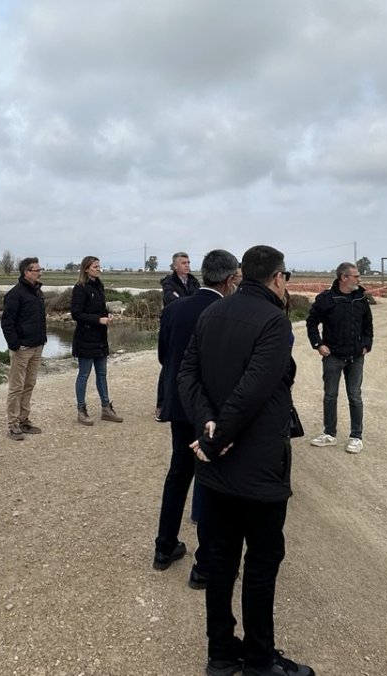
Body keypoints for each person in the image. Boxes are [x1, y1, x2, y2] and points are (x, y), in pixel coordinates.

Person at [178, 245, 313, 676]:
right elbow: (255, 388)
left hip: (216, 470)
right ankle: (257, 658)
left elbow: (188, 375)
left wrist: (208, 428)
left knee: (219, 562)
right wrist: (217, 436)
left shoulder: (211, 312)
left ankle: (220, 653)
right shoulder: (274, 320)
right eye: (287, 277)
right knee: (260, 563)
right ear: (277, 278)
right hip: (256, 469)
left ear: (242, 275)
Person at [153, 249, 241, 588]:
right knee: (210, 478)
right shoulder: (226, 312)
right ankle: (204, 565)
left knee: (178, 473)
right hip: (210, 412)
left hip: (179, 406)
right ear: (231, 279)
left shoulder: (174, 309)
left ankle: (164, 548)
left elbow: (165, 357)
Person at [305, 261, 373, 454]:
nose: (359, 279)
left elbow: (368, 325)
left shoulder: (361, 298)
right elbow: (311, 324)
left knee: (355, 396)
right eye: (356, 276)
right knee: (330, 396)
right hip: (332, 357)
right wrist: (318, 344)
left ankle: (356, 437)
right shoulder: (326, 299)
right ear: (344, 277)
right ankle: (329, 434)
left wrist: (366, 345)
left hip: (356, 357)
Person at [70, 256, 123, 425]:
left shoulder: (99, 286)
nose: (98, 269)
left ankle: (106, 408)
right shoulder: (80, 288)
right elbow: (76, 314)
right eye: (95, 266)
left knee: (102, 374)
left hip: (100, 337)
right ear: (86, 269)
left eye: (99, 266)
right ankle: (81, 410)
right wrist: (97, 320)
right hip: (85, 338)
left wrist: (107, 314)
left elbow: (100, 307)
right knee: (84, 375)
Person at [1, 257, 47, 441]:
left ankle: (23, 419)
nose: (40, 272)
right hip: (23, 347)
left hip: (37, 345)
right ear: (26, 272)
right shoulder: (15, 294)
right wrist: (15, 344)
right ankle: (12, 424)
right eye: (37, 270)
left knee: (29, 384)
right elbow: (7, 323)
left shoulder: (37, 291)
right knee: (16, 386)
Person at [157, 252, 200, 419]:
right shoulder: (169, 282)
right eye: (183, 263)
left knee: (190, 365)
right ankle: (161, 404)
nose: (187, 265)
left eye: (188, 262)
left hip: (191, 328)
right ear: (175, 266)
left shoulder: (194, 282)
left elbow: (194, 299)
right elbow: (171, 300)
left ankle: (188, 401)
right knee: (168, 365)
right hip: (173, 328)